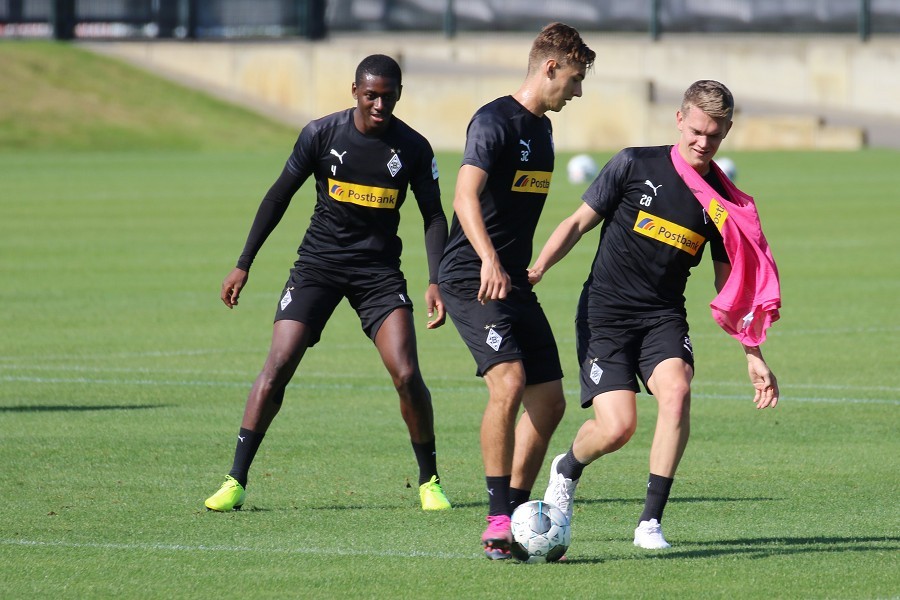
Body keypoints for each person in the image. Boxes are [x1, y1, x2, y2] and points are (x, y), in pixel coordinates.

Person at [530, 80, 781, 550]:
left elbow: (731, 287)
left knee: (677, 389)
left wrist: (754, 354)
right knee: (618, 427)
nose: (704, 142)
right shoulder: (633, 163)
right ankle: (567, 466)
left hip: (663, 316)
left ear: (727, 131)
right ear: (680, 119)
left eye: (716, 134)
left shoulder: (719, 203)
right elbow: (577, 223)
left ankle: (650, 522)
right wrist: (540, 267)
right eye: (698, 130)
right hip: (604, 314)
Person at [204, 54, 452, 513]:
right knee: (278, 365)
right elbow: (279, 195)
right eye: (371, 94)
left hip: (378, 274)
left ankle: (430, 481)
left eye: (388, 95)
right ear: (355, 90)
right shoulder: (321, 134)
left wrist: (437, 279)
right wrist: (244, 263)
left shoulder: (414, 147)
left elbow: (434, 215)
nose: (379, 103)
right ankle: (234, 480)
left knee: (407, 373)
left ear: (399, 94)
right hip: (318, 266)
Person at [438, 22, 596, 559]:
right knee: (508, 384)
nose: (576, 92)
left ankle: (520, 511)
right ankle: (497, 519)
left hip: (514, 281)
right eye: (573, 79)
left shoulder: (544, 131)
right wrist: (487, 258)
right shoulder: (494, 120)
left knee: (550, 403)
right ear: (550, 67)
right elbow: (464, 196)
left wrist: (520, 267)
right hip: (471, 276)